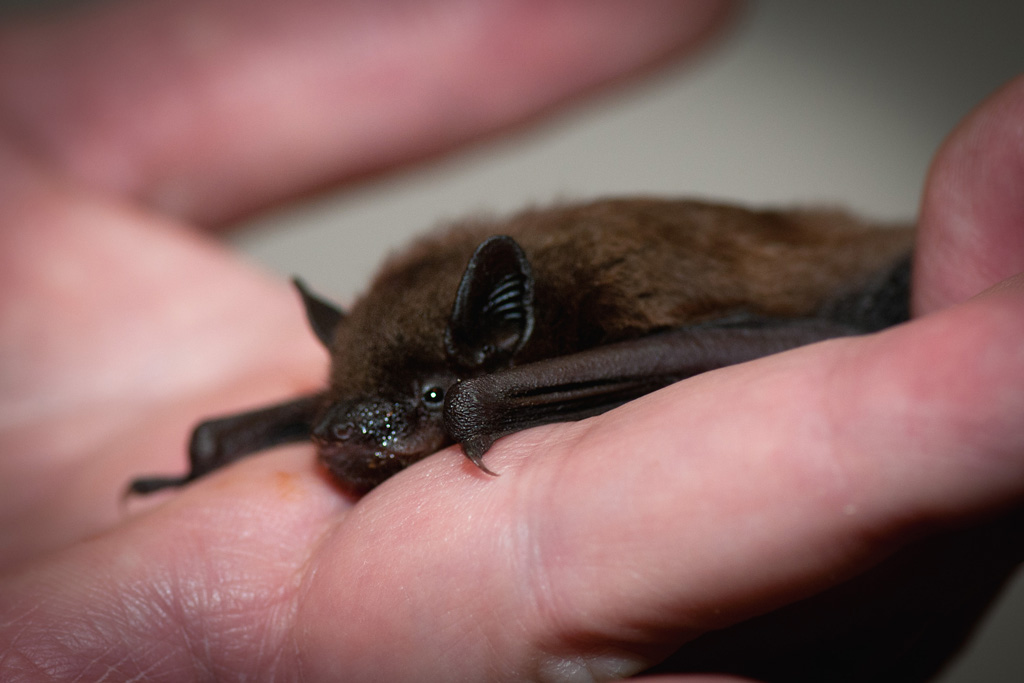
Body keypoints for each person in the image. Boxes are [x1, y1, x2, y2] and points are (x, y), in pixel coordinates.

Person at [1, 1, 1021, 680]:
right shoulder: (414, 345)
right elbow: (385, 378)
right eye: (347, 407)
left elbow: (491, 379)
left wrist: (458, 406)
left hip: (821, 285)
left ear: (507, 342)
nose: (361, 438)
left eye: (427, 400)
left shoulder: (610, 307)